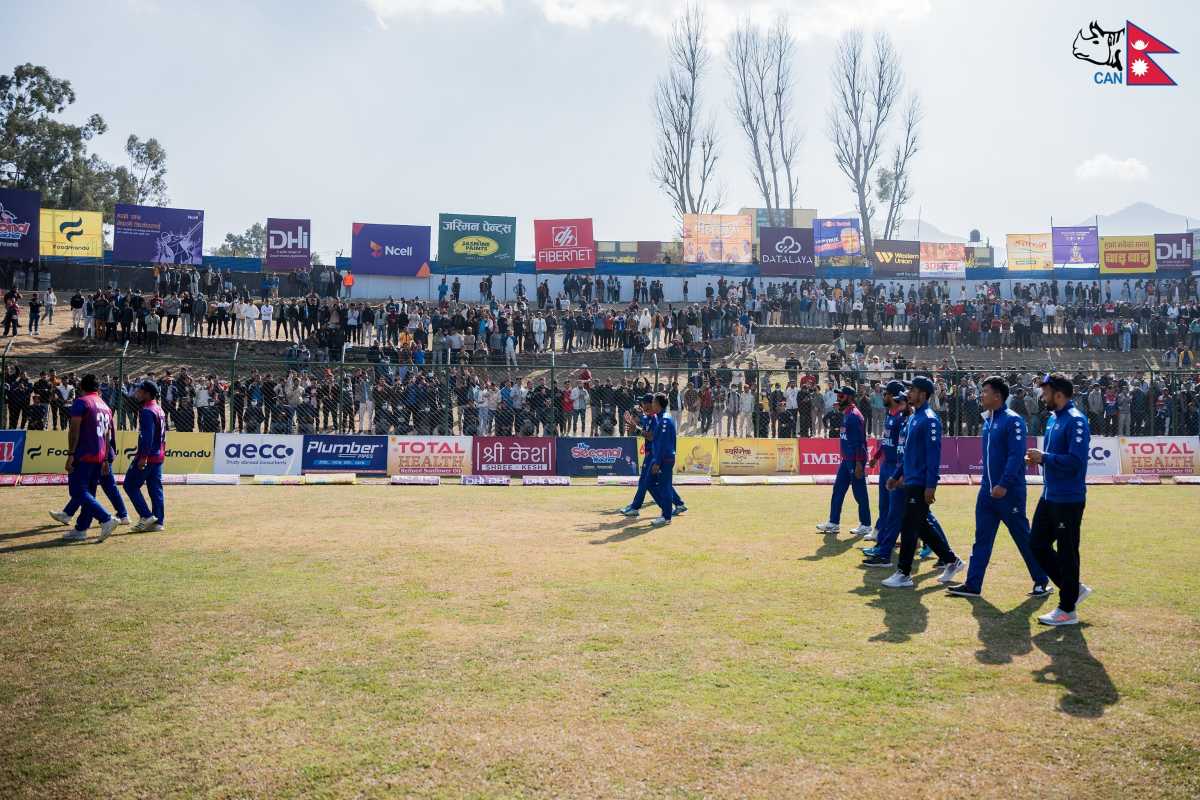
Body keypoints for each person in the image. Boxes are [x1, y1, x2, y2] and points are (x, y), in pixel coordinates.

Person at [946, 376, 1050, 598]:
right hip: (987, 492)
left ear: (998, 396)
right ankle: (973, 585)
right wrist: (991, 486)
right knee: (981, 539)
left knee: (1022, 536)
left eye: (985, 392)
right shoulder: (989, 420)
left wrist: (1003, 484)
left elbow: (1015, 456)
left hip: (1008, 492)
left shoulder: (1013, 421)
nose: (981, 395)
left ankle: (1041, 580)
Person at [881, 376, 964, 588]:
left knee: (909, 525)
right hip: (910, 480)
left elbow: (933, 455)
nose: (909, 393)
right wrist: (896, 475)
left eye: (913, 390)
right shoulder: (914, 417)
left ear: (923, 394)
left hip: (920, 483)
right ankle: (952, 561)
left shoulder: (930, 419)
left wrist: (931, 485)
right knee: (922, 525)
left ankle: (904, 572)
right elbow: (906, 453)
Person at [1025, 372, 1093, 626]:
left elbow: (1076, 462)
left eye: (1045, 391)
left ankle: (1067, 609)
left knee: (1067, 552)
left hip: (1068, 498)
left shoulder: (1076, 421)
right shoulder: (1054, 419)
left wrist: (1045, 458)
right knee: (1037, 544)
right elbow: (1054, 457)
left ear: (1059, 393)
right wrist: (1041, 458)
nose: (1042, 396)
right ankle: (1072, 588)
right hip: (1050, 495)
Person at [61, 374, 120, 542]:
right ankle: (81, 529)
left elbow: (74, 430)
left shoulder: (81, 402)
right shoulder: (105, 405)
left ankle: (106, 519)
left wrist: (71, 454)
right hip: (100, 454)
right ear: (98, 388)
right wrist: (105, 459)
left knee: (78, 491)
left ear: (81, 387)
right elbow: (108, 435)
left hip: (84, 454)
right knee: (89, 493)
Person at [49, 420, 129, 528]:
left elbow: (105, 436)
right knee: (87, 489)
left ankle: (120, 515)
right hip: (102, 454)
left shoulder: (96, 410)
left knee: (102, 487)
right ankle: (68, 514)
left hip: (100, 455)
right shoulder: (103, 409)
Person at [815, 385, 872, 535]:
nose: (838, 399)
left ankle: (866, 524)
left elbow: (860, 442)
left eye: (841, 397)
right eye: (837, 396)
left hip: (855, 461)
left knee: (859, 493)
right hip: (846, 460)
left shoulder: (854, 416)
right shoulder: (847, 413)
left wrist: (860, 464)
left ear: (850, 398)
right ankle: (833, 523)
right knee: (838, 490)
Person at [619, 394, 686, 518]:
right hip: (653, 454)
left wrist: (637, 428)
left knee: (646, 481)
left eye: (644, 403)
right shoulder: (649, 417)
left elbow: (652, 436)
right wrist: (634, 423)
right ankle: (678, 504)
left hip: (655, 455)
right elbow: (642, 429)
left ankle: (636, 507)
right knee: (660, 482)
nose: (642, 405)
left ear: (652, 404)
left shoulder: (657, 419)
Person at [124, 380, 167, 533]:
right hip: (158, 455)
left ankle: (146, 516)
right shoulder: (159, 409)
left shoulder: (147, 410)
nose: (137, 392)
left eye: (140, 390)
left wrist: (143, 457)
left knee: (129, 485)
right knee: (155, 489)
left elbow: (146, 437)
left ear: (147, 394)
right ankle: (158, 522)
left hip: (148, 457)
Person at [645, 393, 677, 527]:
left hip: (664, 459)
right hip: (660, 458)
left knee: (664, 487)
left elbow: (663, 444)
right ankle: (666, 510)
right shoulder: (661, 417)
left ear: (658, 404)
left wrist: (657, 462)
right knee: (649, 483)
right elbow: (655, 439)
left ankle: (666, 516)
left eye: (653, 402)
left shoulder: (664, 419)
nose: (651, 404)